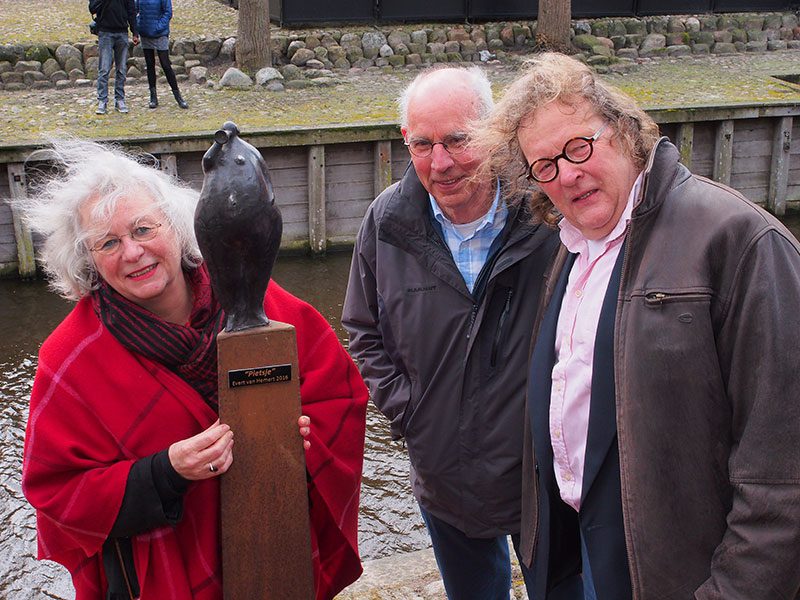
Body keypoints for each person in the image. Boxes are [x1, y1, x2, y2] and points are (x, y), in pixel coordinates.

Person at [474, 52, 800, 599]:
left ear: (625, 131)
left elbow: (782, 467)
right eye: (545, 166)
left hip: (687, 573)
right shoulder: (573, 250)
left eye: (579, 146)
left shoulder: (741, 242)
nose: (568, 174)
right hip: (591, 551)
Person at [19, 139, 368, 600]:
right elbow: (56, 494)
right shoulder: (70, 357)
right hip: (165, 574)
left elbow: (342, 398)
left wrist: (302, 442)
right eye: (108, 242)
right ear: (88, 260)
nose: (132, 252)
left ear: (178, 226)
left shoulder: (256, 302)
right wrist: (165, 472)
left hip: (277, 549)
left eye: (144, 229)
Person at [342, 66, 559, 599]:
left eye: (458, 140)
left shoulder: (550, 215)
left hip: (546, 475)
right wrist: (412, 413)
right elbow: (363, 329)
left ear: (493, 130)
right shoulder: (387, 223)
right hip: (445, 473)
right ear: (405, 142)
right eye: (423, 144)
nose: (440, 164)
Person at [136, 0, 189, 110]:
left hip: (160, 33)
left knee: (165, 64)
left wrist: (158, 27)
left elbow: (168, 12)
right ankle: (153, 97)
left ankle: (178, 96)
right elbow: (135, 10)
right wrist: (139, 24)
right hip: (145, 32)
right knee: (150, 65)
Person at [90, 0, 139, 115]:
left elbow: (131, 11)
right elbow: (92, 8)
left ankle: (120, 99)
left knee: (121, 69)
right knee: (104, 70)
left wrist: (135, 32)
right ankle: (102, 101)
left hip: (122, 32)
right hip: (105, 32)